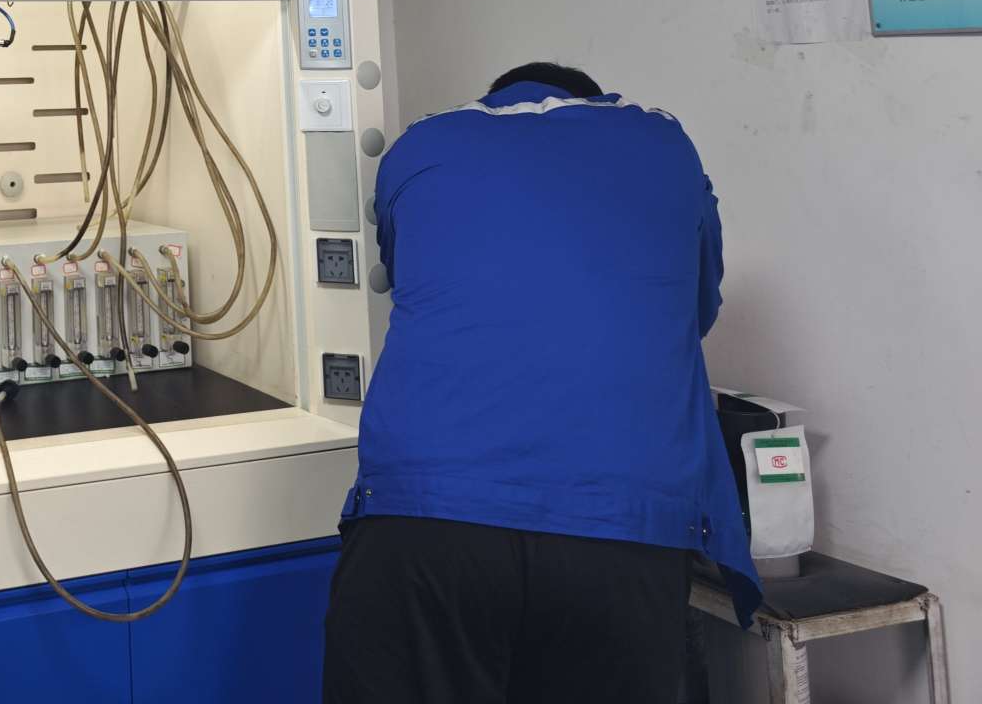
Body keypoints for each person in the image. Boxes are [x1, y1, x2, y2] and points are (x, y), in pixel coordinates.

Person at [323, 63, 758, 704]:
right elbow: (692, 313)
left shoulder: (421, 145)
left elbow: (409, 270)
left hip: (422, 520)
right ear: (595, 103)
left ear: (493, 99)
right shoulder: (664, 144)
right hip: (618, 530)